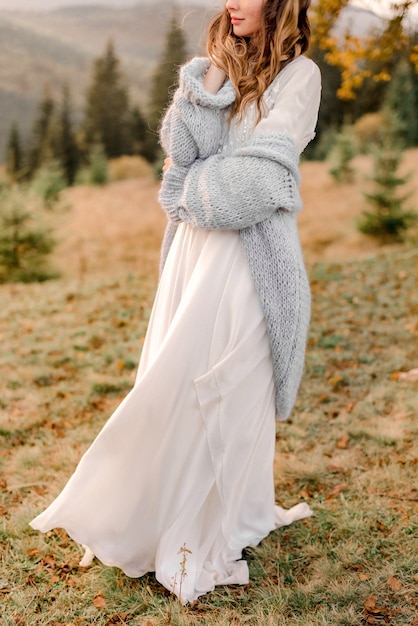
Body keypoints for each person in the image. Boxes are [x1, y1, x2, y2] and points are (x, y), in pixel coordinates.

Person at [30, 0, 321, 604]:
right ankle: (147, 510)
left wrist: (184, 187)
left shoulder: (301, 77)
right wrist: (207, 85)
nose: (229, 3)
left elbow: (261, 182)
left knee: (228, 386)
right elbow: (180, 153)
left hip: (247, 263)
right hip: (190, 257)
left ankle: (215, 521)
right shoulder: (212, 68)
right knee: (171, 382)